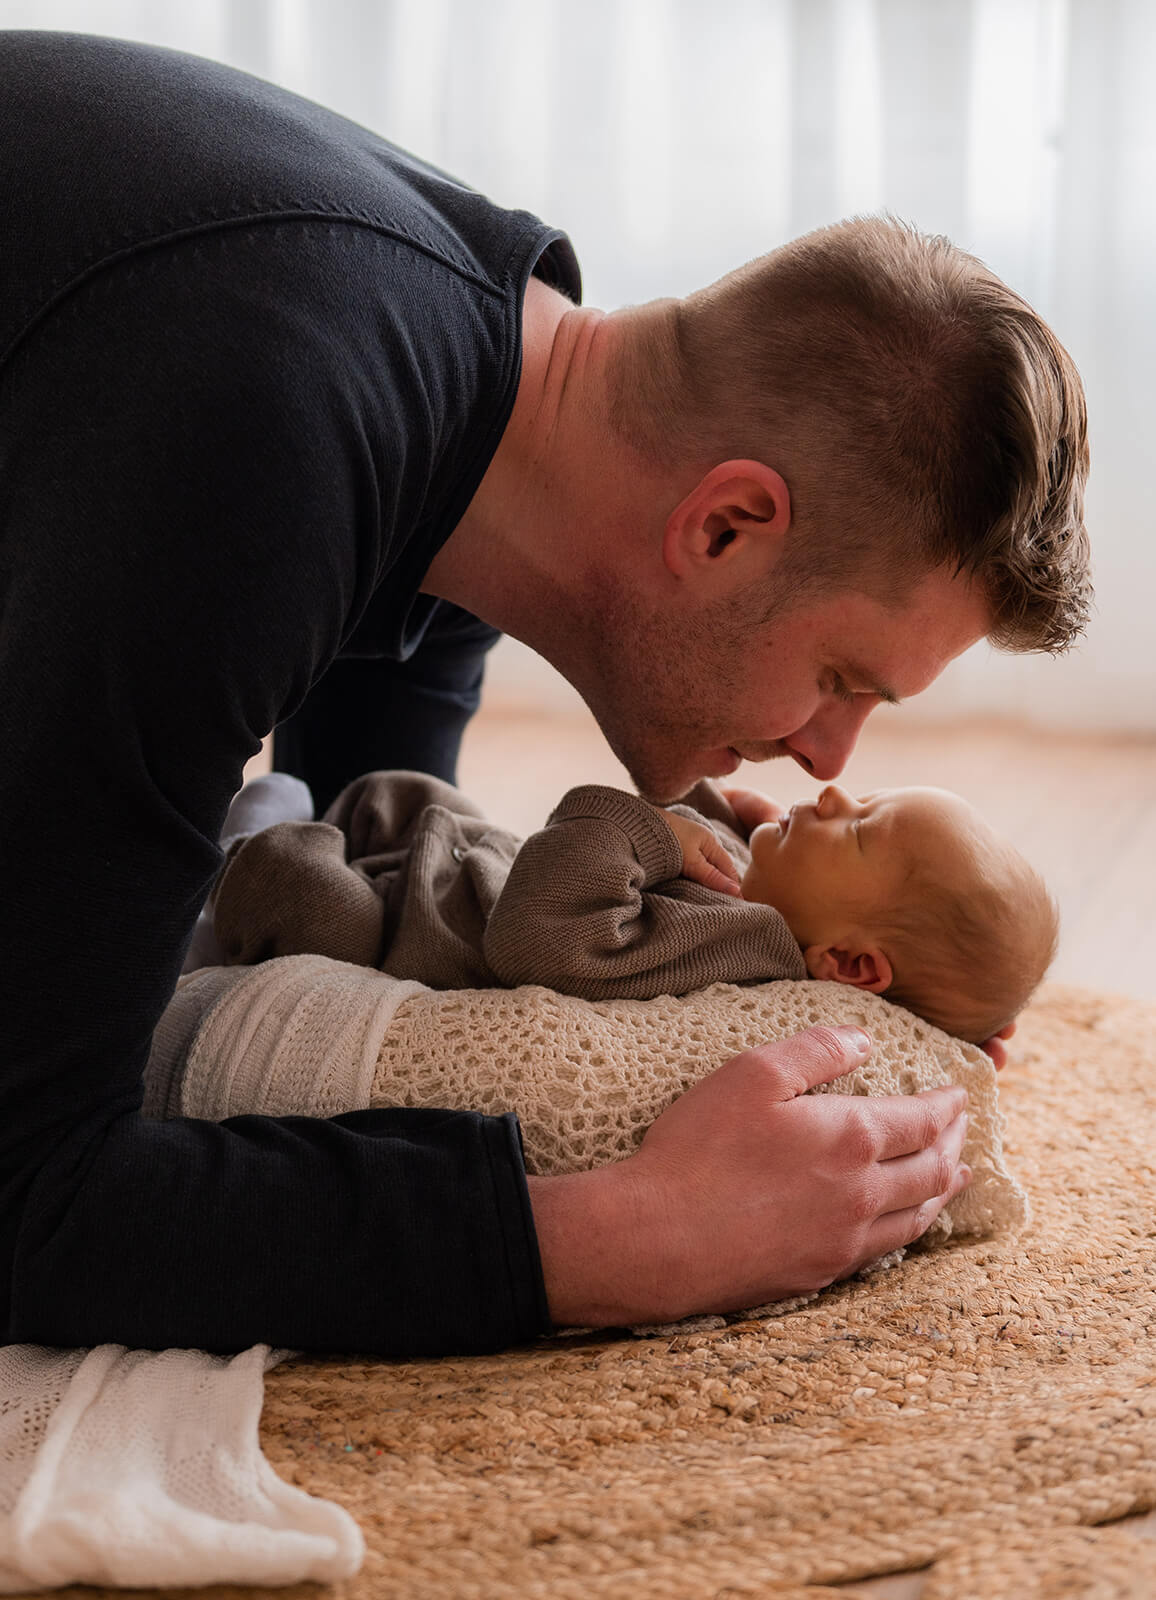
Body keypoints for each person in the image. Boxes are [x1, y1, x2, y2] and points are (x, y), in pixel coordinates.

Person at [0, 32, 1090, 1353]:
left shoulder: (480, 398)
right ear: (727, 525)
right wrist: (621, 1237)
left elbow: (366, 911)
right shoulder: (259, 443)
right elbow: (32, 1200)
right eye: (841, 676)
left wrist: (884, 992)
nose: (823, 755)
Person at [204, 770, 1056, 1046]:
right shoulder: (772, 913)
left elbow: (542, 942)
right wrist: (719, 812)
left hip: (404, 932)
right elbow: (681, 854)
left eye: (861, 831)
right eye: (864, 797)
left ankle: (243, 849)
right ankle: (311, 827)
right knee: (423, 795)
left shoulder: (747, 960)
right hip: (453, 870)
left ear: (851, 965)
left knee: (316, 905)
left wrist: (645, 829)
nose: (833, 793)